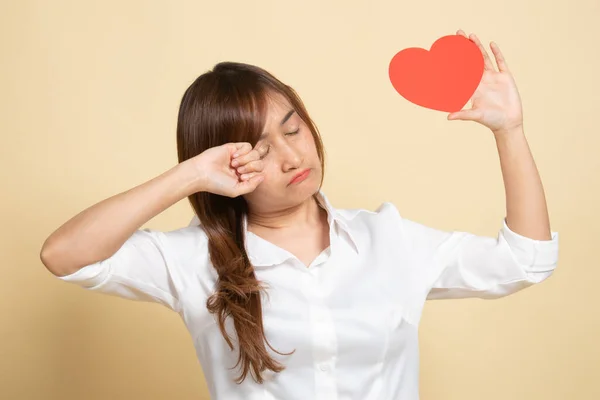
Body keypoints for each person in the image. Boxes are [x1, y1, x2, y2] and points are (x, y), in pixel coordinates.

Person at [40, 31, 559, 400]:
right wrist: (189, 177)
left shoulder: (388, 240)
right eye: (258, 149)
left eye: (293, 129)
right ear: (224, 161)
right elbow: (64, 255)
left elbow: (526, 261)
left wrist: (508, 131)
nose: (292, 157)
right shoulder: (196, 259)